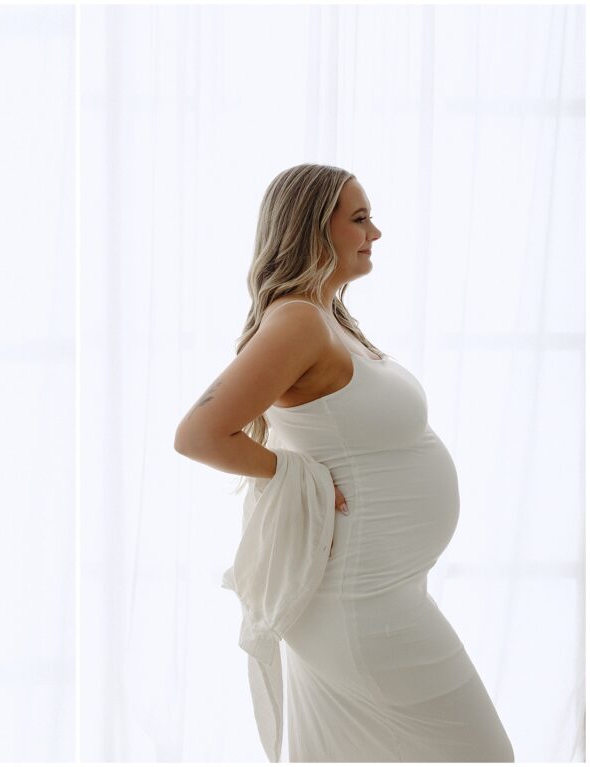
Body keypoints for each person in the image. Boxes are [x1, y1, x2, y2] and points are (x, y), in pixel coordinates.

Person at [174, 163, 514, 761]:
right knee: (484, 756)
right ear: (311, 232)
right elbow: (199, 433)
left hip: (381, 595)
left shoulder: (327, 318)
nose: (375, 233)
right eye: (359, 219)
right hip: (360, 606)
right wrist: (293, 476)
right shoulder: (298, 322)